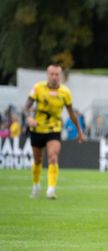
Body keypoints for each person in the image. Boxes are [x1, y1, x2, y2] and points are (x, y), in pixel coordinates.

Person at [23, 64, 84, 199]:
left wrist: (80, 131)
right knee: (38, 160)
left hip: (54, 129)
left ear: (60, 76)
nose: (54, 77)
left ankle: (50, 191)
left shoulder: (65, 92)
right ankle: (36, 185)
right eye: (52, 74)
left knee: (52, 157)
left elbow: (72, 113)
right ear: (47, 75)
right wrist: (28, 117)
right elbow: (26, 107)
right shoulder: (38, 88)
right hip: (37, 128)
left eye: (57, 75)